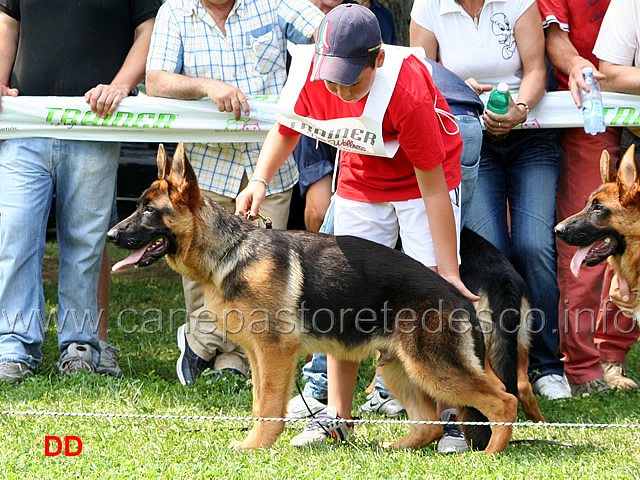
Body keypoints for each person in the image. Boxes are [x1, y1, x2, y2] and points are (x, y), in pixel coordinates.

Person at [236, 4, 478, 448]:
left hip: (424, 183)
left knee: (426, 303)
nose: (340, 89)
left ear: (378, 60)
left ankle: (446, 419)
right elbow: (288, 128)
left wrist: (447, 271)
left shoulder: (407, 91)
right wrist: (258, 180)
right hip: (362, 183)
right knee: (342, 296)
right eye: (332, 78)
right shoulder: (311, 72)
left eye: (353, 79)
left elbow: (433, 188)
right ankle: (337, 416)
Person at [144, 0, 324, 386]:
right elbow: (156, 80)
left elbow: (324, 31)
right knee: (200, 269)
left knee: (262, 278)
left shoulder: (275, 1)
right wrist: (208, 86)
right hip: (203, 170)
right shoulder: (174, 10)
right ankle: (218, 351)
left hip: (269, 164)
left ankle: (221, 351)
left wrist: (313, 76)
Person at [410, 0, 571, 400]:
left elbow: (537, 70)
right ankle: (491, 370)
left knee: (535, 247)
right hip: (466, 140)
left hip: (530, 135)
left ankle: (547, 366)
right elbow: (422, 75)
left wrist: (518, 108)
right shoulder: (427, 7)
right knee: (491, 256)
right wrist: (456, 92)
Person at [0, 0, 159, 382]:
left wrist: (121, 85)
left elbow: (148, 31)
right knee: (15, 235)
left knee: (85, 243)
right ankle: (13, 347)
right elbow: (7, 24)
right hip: (25, 124)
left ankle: (80, 347)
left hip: (96, 126)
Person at [539, 0, 638, 395]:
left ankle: (614, 355)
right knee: (588, 233)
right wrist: (579, 64)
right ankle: (582, 365)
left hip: (631, 106)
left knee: (629, 234)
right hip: (590, 108)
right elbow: (554, 38)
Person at [294, 0, 397, 233]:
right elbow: (284, 130)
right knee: (320, 209)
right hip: (319, 119)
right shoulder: (317, 9)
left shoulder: (383, 16)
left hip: (364, 122)